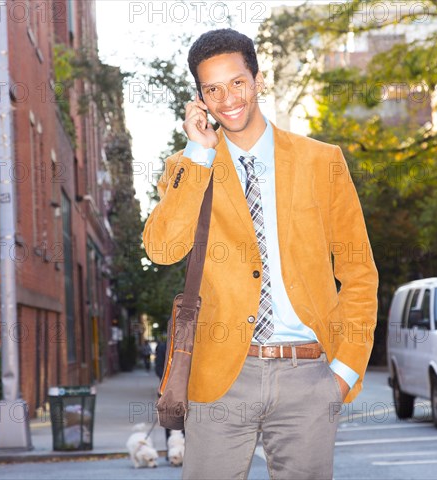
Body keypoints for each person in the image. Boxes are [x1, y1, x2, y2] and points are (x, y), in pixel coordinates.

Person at [143, 29, 378, 480]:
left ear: (258, 80)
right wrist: (198, 153)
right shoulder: (187, 166)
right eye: (212, 89)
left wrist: (344, 370)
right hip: (219, 377)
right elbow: (162, 248)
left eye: (236, 82)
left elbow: (359, 272)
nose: (226, 98)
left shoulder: (321, 161)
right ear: (200, 99)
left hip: (308, 373)